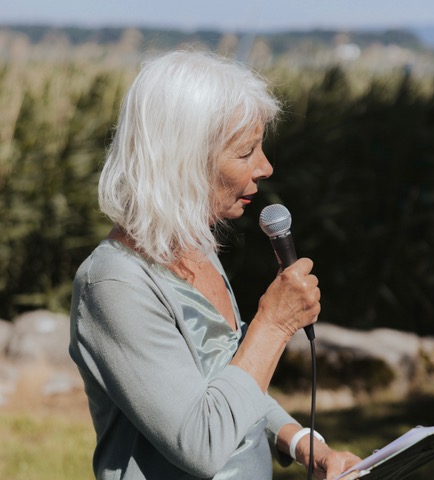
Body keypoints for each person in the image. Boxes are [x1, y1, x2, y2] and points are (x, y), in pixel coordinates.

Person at [69, 49, 361, 480]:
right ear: (182, 160)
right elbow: (201, 442)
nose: (265, 166)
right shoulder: (114, 284)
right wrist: (273, 325)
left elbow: (230, 383)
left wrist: (304, 444)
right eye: (245, 152)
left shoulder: (197, 249)